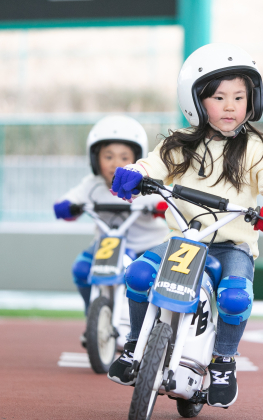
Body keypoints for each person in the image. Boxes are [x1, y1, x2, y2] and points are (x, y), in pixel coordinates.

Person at [107, 44, 263, 407]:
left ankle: (224, 359)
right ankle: (135, 344)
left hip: (232, 245)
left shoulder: (256, 148)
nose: (230, 106)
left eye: (240, 97)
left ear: (252, 101)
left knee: (235, 297)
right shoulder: (177, 145)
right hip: (184, 239)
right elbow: (152, 166)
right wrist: (133, 174)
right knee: (137, 275)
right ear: (195, 101)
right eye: (219, 97)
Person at [53, 115, 169, 346]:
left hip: (145, 245)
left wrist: (160, 208)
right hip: (108, 244)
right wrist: (66, 207)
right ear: (95, 159)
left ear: (136, 159)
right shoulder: (92, 185)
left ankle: (142, 324)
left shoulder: (144, 186)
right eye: (108, 157)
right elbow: (68, 202)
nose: (115, 163)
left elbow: (164, 201)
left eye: (124, 157)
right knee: (82, 268)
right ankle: (94, 317)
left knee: (141, 276)